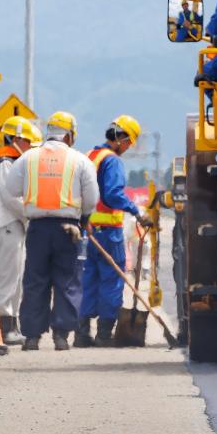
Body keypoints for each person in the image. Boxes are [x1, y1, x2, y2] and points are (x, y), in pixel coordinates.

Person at [3, 111, 99, 351]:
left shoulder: (28, 158)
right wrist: (84, 216)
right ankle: (61, 336)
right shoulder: (80, 160)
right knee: (67, 281)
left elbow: (11, 189)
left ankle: (32, 337)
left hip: (37, 228)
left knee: (35, 281)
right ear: (69, 135)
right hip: (69, 228)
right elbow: (91, 198)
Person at [77, 115, 149, 347]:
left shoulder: (90, 155)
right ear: (122, 138)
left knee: (88, 279)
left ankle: (81, 334)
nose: (127, 148)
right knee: (112, 280)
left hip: (88, 232)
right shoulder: (113, 161)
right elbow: (113, 194)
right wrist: (136, 211)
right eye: (128, 143)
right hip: (109, 233)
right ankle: (104, 334)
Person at [0, 115, 40, 344]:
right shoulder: (6, 162)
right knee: (8, 277)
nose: (31, 148)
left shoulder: (14, 162)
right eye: (29, 143)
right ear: (16, 139)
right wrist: (33, 213)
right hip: (7, 226)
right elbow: (11, 198)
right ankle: (3, 328)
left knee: (16, 277)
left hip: (14, 227)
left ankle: (11, 326)